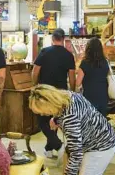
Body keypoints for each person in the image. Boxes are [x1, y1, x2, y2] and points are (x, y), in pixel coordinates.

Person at [29, 85, 115, 175]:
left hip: (101, 145)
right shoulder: (67, 96)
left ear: (49, 103)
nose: (42, 114)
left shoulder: (69, 118)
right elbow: (63, 112)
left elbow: (76, 155)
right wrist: (55, 120)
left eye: (43, 111)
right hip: (98, 136)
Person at [32, 28, 76, 160]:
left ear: (52, 39)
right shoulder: (69, 55)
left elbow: (35, 71)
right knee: (54, 120)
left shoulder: (45, 52)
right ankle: (49, 149)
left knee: (42, 121)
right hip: (60, 93)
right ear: (63, 39)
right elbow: (72, 77)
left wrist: (35, 86)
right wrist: (72, 92)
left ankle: (57, 145)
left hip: (45, 92)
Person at [76, 37, 109, 116]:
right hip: (103, 96)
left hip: (89, 97)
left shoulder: (85, 62)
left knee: (91, 123)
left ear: (88, 49)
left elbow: (78, 83)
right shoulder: (105, 62)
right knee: (101, 122)